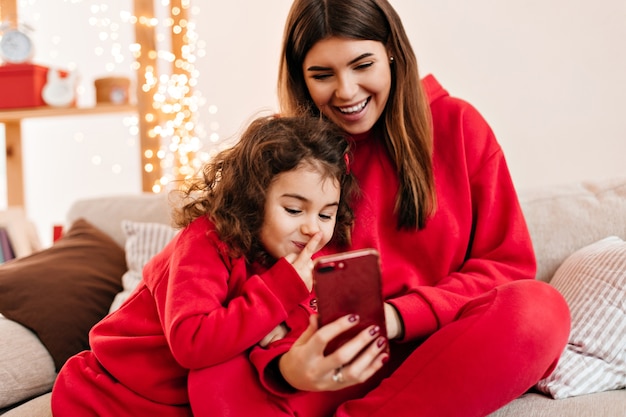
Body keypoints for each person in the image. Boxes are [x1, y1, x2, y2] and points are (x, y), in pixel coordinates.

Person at [187, 1, 571, 416]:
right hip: (325, 359)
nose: (347, 91)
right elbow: (252, 276)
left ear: (392, 52)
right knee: (212, 376)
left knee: (540, 311)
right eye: (321, 74)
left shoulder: (458, 126)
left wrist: (394, 317)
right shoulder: (283, 152)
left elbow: (506, 268)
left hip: (441, 348)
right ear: (301, 78)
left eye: (362, 64)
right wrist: (286, 366)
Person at [50, 114, 358, 416]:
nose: (313, 229)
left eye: (325, 215)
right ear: (254, 198)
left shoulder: (293, 254)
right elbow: (192, 342)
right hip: (113, 392)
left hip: (191, 397)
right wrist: (278, 293)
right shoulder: (205, 240)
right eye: (294, 209)